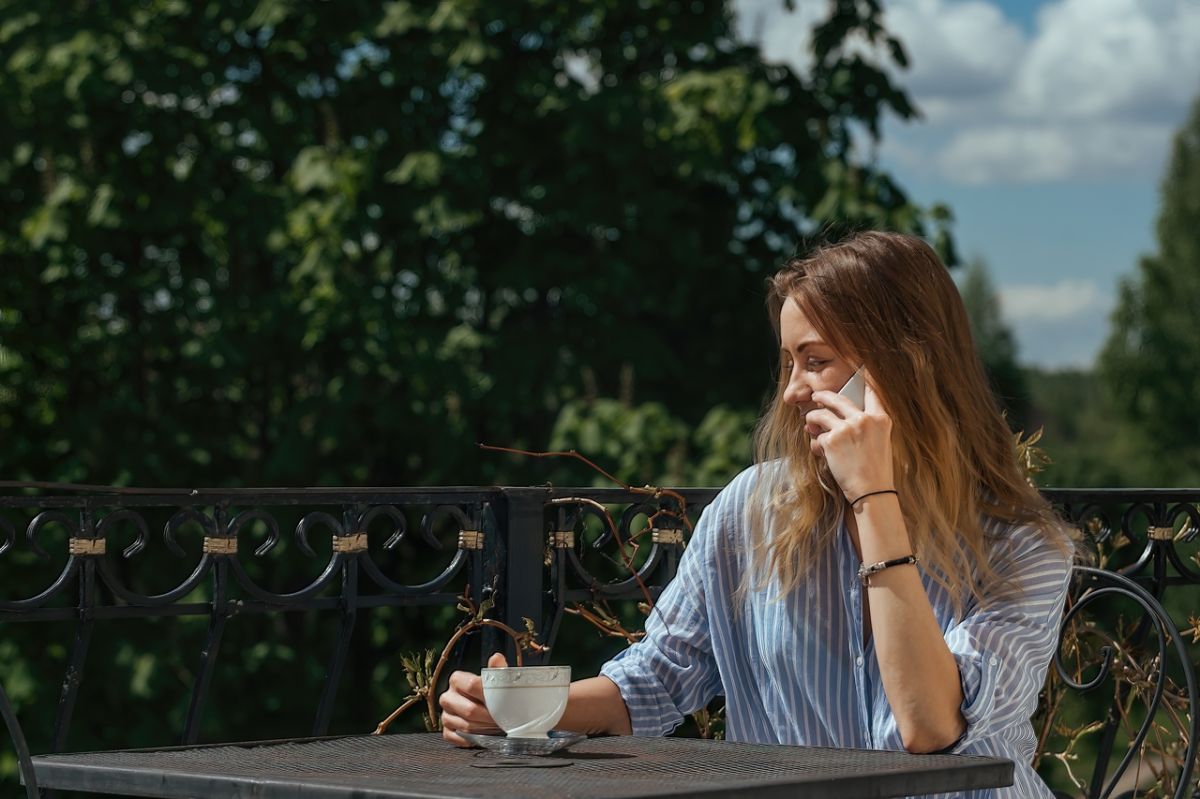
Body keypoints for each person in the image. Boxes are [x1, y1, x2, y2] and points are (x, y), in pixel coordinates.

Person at [439, 231, 1074, 798]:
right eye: (789, 362)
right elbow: (656, 681)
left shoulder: (1022, 548)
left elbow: (930, 727)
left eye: (816, 360)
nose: (793, 388)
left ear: (903, 370)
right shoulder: (753, 510)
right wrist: (526, 713)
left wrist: (874, 498)